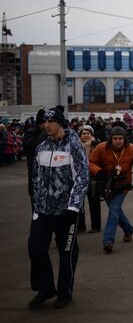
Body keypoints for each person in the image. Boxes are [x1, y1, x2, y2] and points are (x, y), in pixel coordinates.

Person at [27, 107, 89, 309]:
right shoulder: (42, 147)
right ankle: (45, 288)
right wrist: (36, 206)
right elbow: (35, 179)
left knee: (67, 252)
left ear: (60, 123)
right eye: (44, 122)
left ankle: (65, 291)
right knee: (35, 247)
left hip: (66, 211)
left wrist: (74, 207)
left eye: (50, 122)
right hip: (43, 209)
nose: (46, 126)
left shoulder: (74, 146)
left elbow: (82, 178)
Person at [89, 126, 133, 253]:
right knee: (115, 210)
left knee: (114, 209)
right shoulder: (101, 147)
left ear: (124, 138)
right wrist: (98, 172)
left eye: (120, 138)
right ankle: (128, 229)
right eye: (115, 138)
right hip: (106, 185)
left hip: (123, 185)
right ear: (110, 138)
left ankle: (108, 240)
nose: (118, 141)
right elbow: (91, 162)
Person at [78, 125, 102, 233]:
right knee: (78, 204)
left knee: (94, 203)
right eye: (84, 133)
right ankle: (80, 226)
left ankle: (96, 226)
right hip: (79, 179)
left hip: (93, 179)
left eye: (88, 133)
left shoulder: (97, 145)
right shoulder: (76, 146)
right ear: (80, 135)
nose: (86, 135)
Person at [23, 109, 48, 207]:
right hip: (35, 172)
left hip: (48, 174)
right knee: (36, 205)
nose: (47, 125)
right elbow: (31, 146)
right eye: (45, 122)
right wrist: (44, 134)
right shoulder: (30, 133)